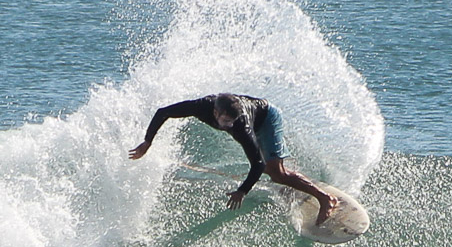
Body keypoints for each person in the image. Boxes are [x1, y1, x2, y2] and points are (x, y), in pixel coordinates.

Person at [128, 94, 339, 225]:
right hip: (251, 113)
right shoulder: (201, 106)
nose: (228, 126)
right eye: (225, 121)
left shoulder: (241, 126)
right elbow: (163, 112)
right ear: (215, 112)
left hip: (266, 118)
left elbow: (257, 164)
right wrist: (148, 141)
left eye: (231, 122)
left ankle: (324, 198)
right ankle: (290, 182)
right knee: (273, 171)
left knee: (275, 172)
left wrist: (242, 191)